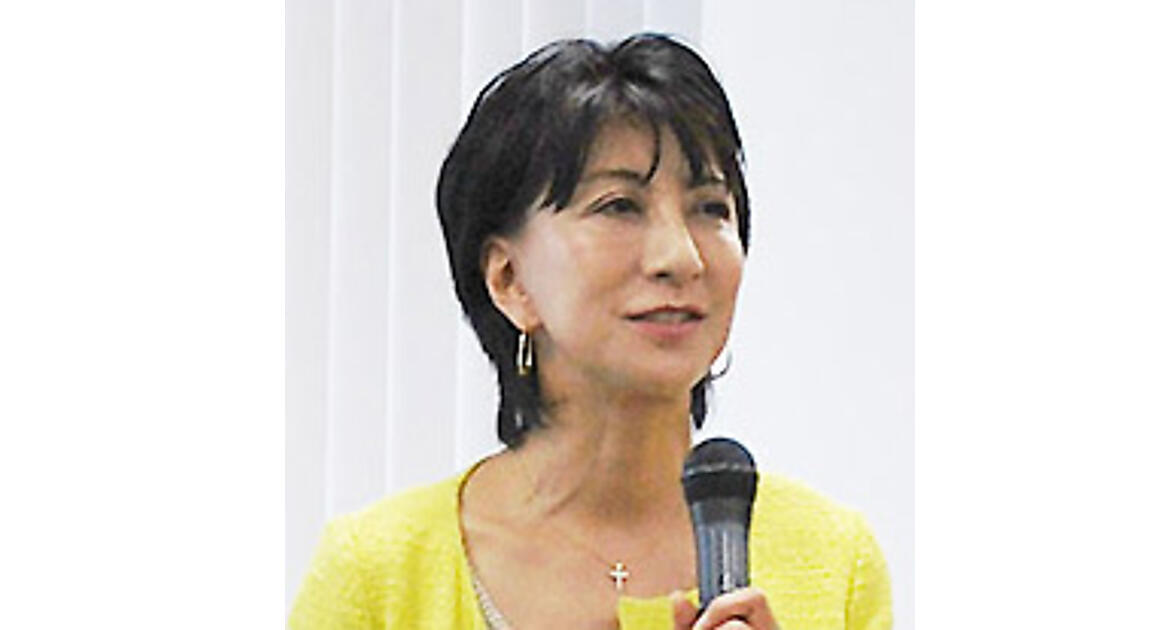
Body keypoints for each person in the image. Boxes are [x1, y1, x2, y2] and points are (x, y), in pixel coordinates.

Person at [290, 33, 892, 629]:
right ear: (509, 279)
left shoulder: (833, 562)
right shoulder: (378, 575)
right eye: (619, 206)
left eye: (710, 207)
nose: (681, 257)